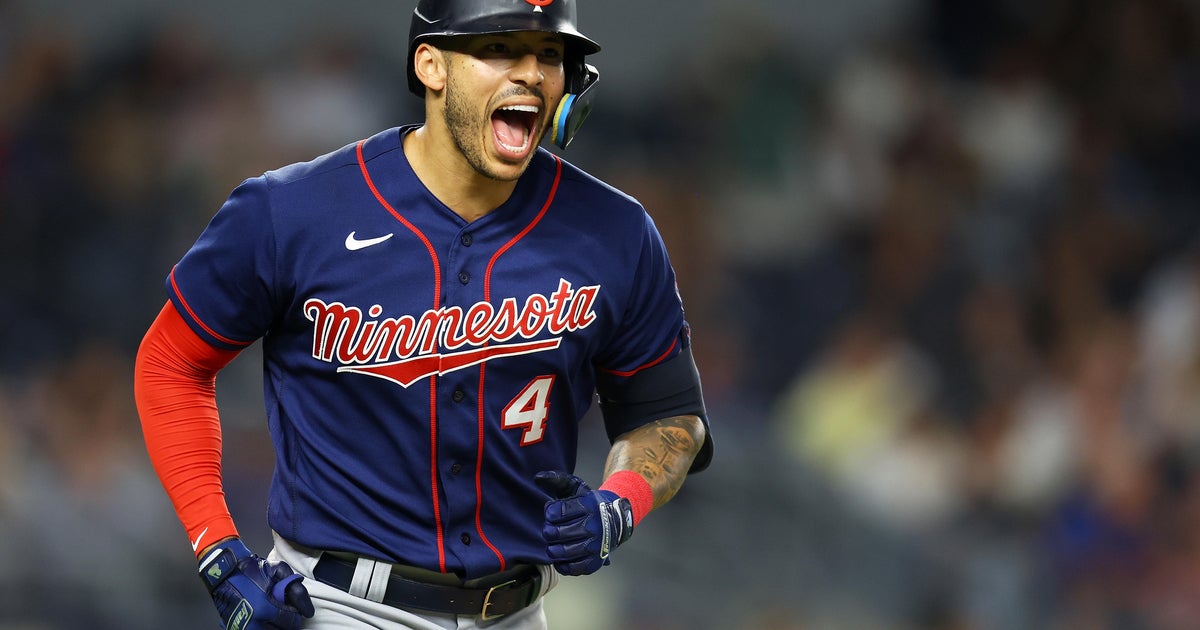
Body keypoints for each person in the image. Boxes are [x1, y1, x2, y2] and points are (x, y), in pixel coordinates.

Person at [133, 0, 713, 628]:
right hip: (341, 604)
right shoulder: (294, 211)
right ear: (431, 65)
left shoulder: (616, 232)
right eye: (499, 49)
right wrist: (217, 547)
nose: (530, 74)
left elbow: (669, 416)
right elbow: (171, 362)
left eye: (550, 55)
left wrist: (617, 505)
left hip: (522, 609)